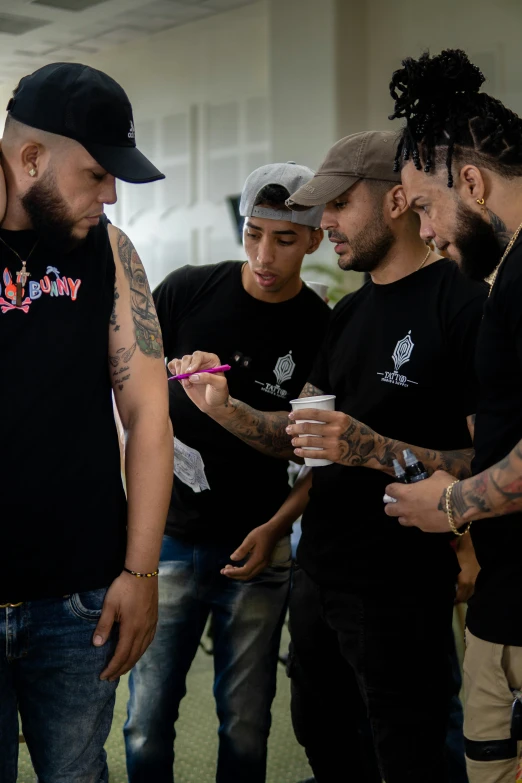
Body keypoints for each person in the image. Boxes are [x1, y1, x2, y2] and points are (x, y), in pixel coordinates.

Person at [171, 130, 487, 783]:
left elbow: (489, 461)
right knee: (321, 735)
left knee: (413, 754)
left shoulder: (462, 304)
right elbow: (297, 432)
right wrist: (224, 407)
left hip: (400, 586)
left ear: (397, 200)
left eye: (338, 205)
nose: (326, 223)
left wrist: (371, 448)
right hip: (322, 574)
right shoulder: (349, 313)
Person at [124, 162, 330, 783]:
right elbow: (127, 388)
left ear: (316, 238)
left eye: (285, 239)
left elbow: (320, 461)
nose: (264, 255)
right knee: (144, 720)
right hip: (170, 539)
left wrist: (275, 531)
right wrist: (175, 374)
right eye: (252, 234)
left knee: (245, 723)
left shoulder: (323, 327)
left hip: (257, 549)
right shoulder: (188, 290)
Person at [0, 63, 173, 783]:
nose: (110, 196)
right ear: (32, 157)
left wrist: (141, 571)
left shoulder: (108, 251)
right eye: (97, 175)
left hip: (78, 603)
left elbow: (149, 414)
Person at [384, 48, 522, 783]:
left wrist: (450, 506)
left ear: (471, 182)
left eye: (428, 207)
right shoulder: (507, 281)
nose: (428, 232)